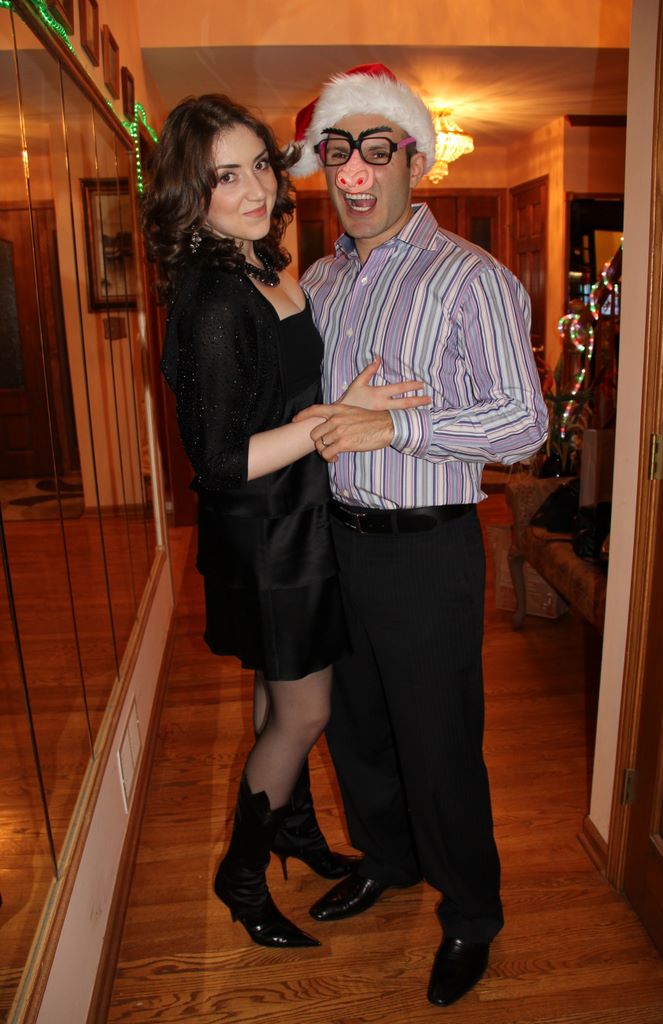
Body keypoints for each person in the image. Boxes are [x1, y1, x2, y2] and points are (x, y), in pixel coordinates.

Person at [141, 93, 429, 950]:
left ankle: (293, 831)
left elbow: (284, 396)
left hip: (296, 517)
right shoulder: (214, 298)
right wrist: (331, 422)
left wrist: (338, 405)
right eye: (225, 176)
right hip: (267, 535)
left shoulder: (261, 265)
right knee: (303, 714)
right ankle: (240, 875)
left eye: (260, 165)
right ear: (190, 192)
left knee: (278, 697)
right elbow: (220, 458)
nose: (255, 189)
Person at [290, 64, 548, 1004]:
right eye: (337, 151)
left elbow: (523, 425)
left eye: (375, 148)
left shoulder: (470, 278)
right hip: (335, 542)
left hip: (426, 549)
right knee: (354, 727)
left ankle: (471, 912)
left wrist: (394, 426)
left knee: (437, 742)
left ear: (415, 159)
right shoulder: (319, 279)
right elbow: (312, 414)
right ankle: (388, 862)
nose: (353, 170)